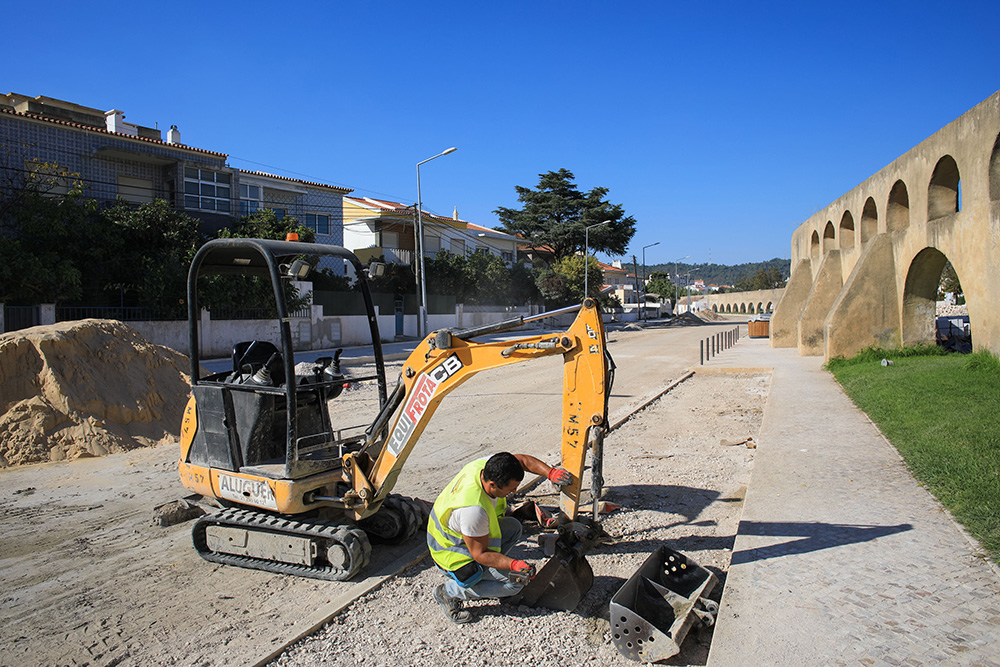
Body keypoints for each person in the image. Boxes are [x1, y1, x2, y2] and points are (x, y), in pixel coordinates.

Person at [426, 451, 572, 623]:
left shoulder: (486, 467)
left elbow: (522, 460)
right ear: (493, 485)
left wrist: (550, 472)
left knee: (513, 528)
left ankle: (492, 582)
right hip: (452, 554)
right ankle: (449, 592)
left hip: (459, 536)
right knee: (516, 583)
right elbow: (480, 554)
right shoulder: (473, 511)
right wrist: (513, 564)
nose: (515, 491)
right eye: (511, 489)